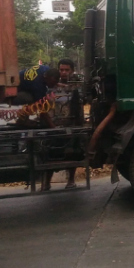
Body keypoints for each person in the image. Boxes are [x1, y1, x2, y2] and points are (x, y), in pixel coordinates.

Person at [14, 65, 60, 191]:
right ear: (48, 78)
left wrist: (58, 84)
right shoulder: (38, 85)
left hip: (21, 82)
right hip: (15, 91)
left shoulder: (45, 69)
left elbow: (51, 81)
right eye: (53, 82)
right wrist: (53, 127)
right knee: (32, 99)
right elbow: (42, 110)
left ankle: (23, 119)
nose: (54, 84)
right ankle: (22, 120)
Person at [56, 58, 78, 189]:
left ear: (72, 71)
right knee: (49, 152)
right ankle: (46, 182)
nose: (63, 73)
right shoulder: (52, 84)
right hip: (55, 124)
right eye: (61, 70)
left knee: (72, 151)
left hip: (72, 123)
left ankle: (71, 180)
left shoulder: (77, 84)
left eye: (66, 70)